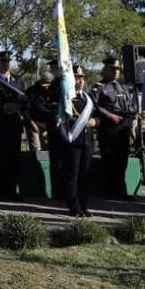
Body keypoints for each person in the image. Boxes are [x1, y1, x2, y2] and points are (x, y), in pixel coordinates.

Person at [0, 50, 27, 201]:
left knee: (13, 159)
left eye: (8, 61)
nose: (5, 64)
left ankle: (11, 191)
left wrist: (17, 107)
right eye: (3, 61)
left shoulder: (18, 80)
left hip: (13, 124)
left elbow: (24, 100)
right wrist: (2, 107)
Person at [95, 56, 138, 200]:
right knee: (109, 160)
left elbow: (128, 103)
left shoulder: (123, 86)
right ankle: (110, 191)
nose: (115, 72)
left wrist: (132, 111)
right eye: (112, 69)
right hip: (109, 126)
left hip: (123, 126)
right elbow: (94, 105)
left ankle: (121, 191)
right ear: (105, 69)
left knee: (122, 160)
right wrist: (109, 115)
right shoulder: (99, 87)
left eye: (118, 70)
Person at [60, 66, 98, 217]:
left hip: (87, 141)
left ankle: (84, 206)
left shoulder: (88, 98)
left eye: (82, 78)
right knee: (73, 175)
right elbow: (64, 118)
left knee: (85, 175)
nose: (80, 81)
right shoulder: (68, 98)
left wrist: (96, 122)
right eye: (77, 78)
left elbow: (97, 114)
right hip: (74, 140)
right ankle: (74, 206)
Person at [29, 60, 66, 200]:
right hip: (53, 126)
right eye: (54, 68)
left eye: (56, 68)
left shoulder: (63, 84)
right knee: (56, 160)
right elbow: (41, 107)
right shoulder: (53, 86)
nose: (54, 70)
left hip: (65, 126)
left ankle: (65, 189)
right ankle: (58, 191)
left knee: (65, 160)